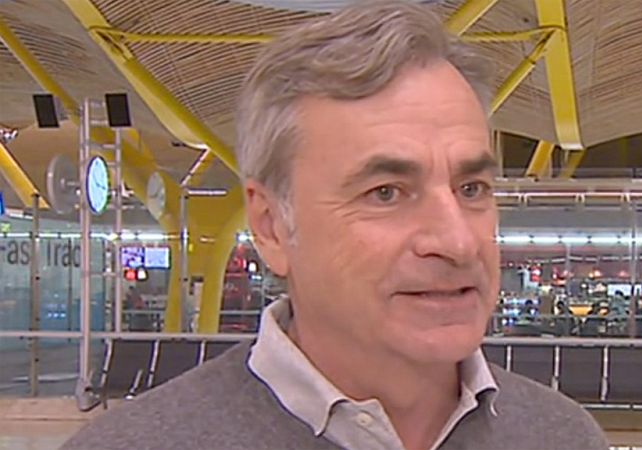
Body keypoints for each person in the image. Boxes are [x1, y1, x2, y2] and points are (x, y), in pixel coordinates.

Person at [61, 2, 607, 449]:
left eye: (472, 189)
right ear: (272, 227)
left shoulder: (561, 436)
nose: (458, 241)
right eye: (386, 193)